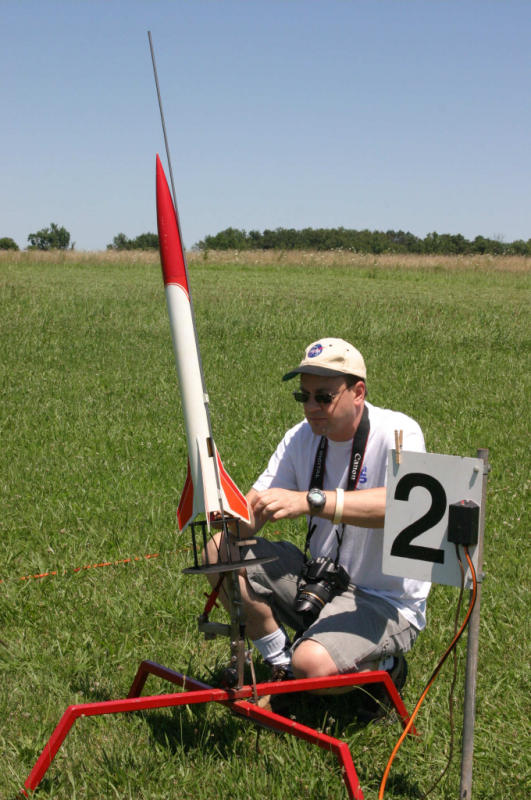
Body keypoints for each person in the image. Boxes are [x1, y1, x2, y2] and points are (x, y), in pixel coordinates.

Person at [205, 338, 430, 712]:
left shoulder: (399, 432)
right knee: (217, 551)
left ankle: (386, 669)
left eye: (323, 397)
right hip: (321, 581)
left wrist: (313, 500)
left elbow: (404, 508)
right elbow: (247, 521)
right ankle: (278, 661)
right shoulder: (301, 437)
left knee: (310, 666)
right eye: (303, 396)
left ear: (358, 392)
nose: (311, 408)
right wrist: (225, 507)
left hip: (385, 600)